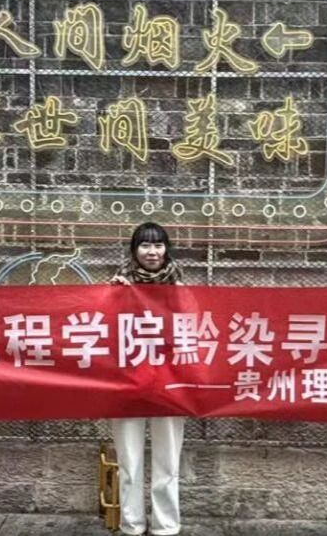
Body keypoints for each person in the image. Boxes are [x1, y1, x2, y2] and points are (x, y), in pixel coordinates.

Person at [108, 221, 186, 536]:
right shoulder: (116, 285)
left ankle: (166, 527)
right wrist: (113, 295)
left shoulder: (180, 286)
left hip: (169, 383)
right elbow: (101, 331)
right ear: (134, 250)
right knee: (129, 460)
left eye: (157, 244)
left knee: (168, 461)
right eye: (144, 245)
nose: (152, 252)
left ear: (166, 249)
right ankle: (132, 525)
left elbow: (192, 328)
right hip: (127, 383)